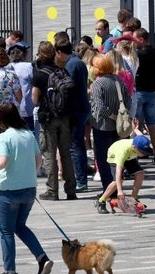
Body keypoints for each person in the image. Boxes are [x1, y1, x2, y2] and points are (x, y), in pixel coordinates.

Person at [0, 102, 54, 274]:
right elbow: (39, 160)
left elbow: (2, 162)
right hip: (29, 189)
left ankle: (9, 271)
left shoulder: (4, 137)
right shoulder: (28, 134)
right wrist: (28, 173)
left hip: (10, 191)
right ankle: (42, 258)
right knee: (20, 226)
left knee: (6, 231)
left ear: (1, 118)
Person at [31, 41, 77, 201]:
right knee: (66, 153)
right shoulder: (61, 71)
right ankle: (71, 190)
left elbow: (34, 99)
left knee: (49, 154)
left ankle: (52, 190)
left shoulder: (39, 74)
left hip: (48, 118)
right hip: (64, 117)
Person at [54, 33, 91, 193]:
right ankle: (81, 178)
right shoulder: (78, 62)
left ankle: (81, 180)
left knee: (75, 145)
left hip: (75, 110)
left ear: (60, 52)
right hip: (82, 107)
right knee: (79, 144)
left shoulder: (71, 65)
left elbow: (67, 89)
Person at [89, 54, 129, 192]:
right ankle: (117, 185)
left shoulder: (97, 84)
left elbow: (99, 106)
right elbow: (128, 100)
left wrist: (112, 116)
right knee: (116, 159)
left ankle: (108, 189)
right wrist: (122, 115)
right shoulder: (118, 80)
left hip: (102, 126)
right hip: (119, 127)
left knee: (103, 158)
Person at [96, 135, 152, 213]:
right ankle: (101, 201)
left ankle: (133, 199)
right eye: (142, 152)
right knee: (117, 181)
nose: (144, 154)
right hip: (114, 155)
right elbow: (118, 173)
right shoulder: (122, 153)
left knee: (140, 174)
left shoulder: (140, 142)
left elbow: (140, 135)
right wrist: (120, 191)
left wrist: (135, 129)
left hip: (129, 156)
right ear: (134, 147)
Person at [132, 28, 155, 163]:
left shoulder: (138, 55)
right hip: (151, 92)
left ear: (141, 39)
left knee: (135, 125)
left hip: (138, 91)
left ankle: (136, 155)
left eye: (134, 39)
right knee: (152, 124)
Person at [9, 43, 35, 130]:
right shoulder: (29, 67)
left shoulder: (8, 67)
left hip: (11, 108)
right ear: (24, 54)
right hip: (27, 108)